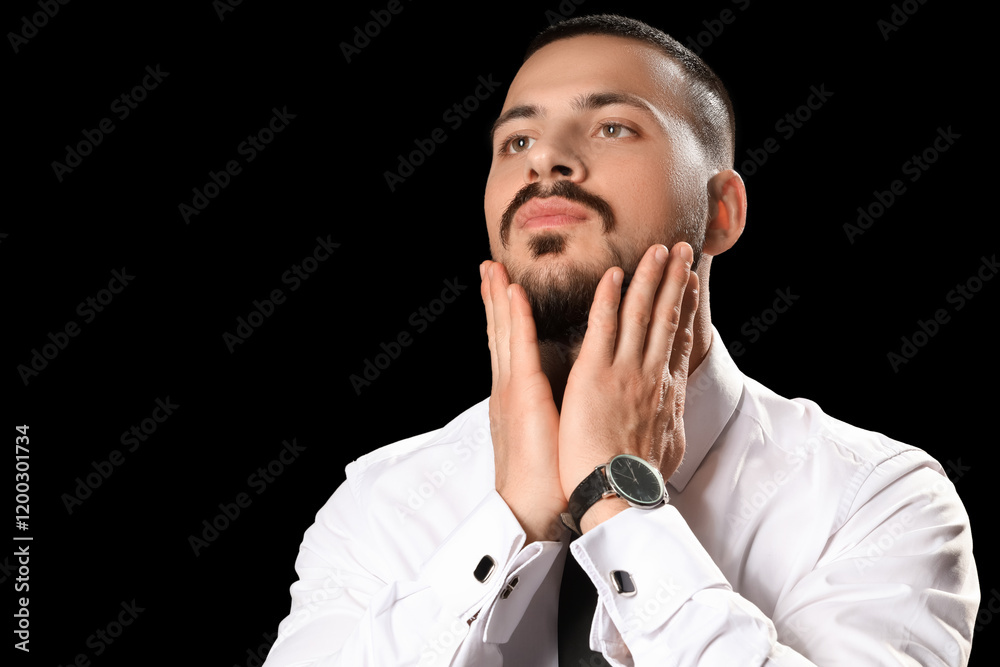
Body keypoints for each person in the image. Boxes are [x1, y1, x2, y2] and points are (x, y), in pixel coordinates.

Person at [263, 14, 979, 666]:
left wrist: (617, 502)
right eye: (517, 141)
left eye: (612, 127)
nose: (546, 162)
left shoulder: (880, 499)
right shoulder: (379, 499)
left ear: (721, 211)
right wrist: (509, 519)